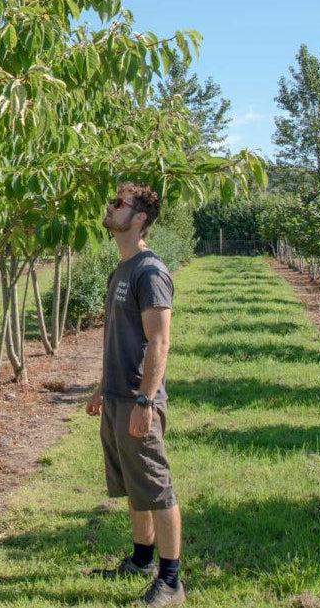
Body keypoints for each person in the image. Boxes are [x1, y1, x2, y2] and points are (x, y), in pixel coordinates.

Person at [85, 183, 185, 606]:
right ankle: (141, 559)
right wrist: (101, 386)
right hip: (117, 397)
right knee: (134, 484)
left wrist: (145, 401)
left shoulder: (150, 271)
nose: (110, 207)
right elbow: (120, 338)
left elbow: (159, 342)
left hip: (138, 400)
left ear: (139, 218)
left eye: (119, 203)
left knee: (156, 487)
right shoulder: (121, 269)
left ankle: (172, 580)